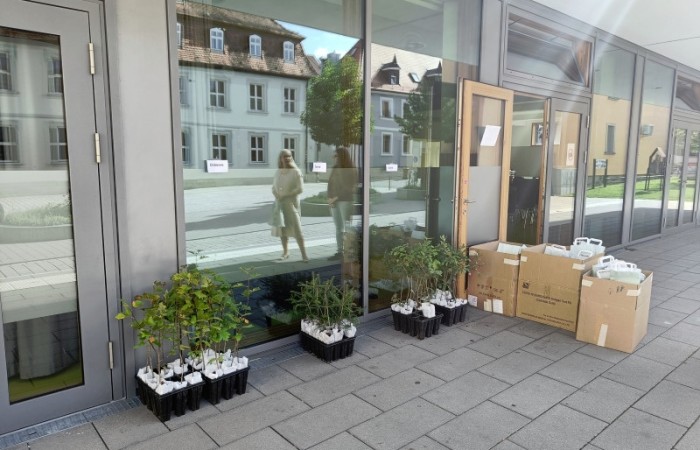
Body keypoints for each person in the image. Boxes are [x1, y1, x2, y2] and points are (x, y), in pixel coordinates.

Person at [272, 149, 309, 262]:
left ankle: (304, 255)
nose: (287, 158)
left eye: (289, 156)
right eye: (285, 156)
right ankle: (285, 252)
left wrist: (286, 195)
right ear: (280, 158)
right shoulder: (278, 172)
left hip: (291, 204)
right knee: (282, 230)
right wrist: (276, 194)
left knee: (298, 230)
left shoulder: (296, 171)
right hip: (280, 204)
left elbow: (300, 189)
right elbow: (273, 187)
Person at [327, 147, 358, 260]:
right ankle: (340, 252)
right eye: (333, 156)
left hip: (345, 201)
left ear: (342, 157)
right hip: (334, 202)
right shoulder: (335, 168)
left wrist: (335, 198)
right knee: (338, 228)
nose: (333, 158)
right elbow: (330, 184)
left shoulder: (350, 169)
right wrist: (329, 198)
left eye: (335, 156)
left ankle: (350, 251)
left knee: (347, 227)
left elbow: (349, 188)